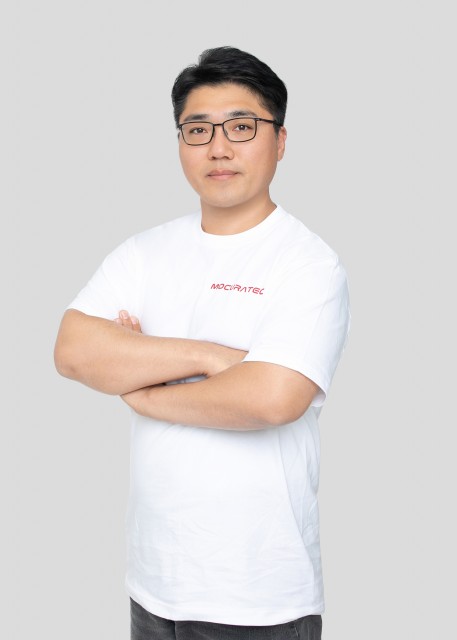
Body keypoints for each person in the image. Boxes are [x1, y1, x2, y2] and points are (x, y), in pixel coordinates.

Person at [54, 46, 350, 640]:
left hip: (257, 597)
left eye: (241, 127)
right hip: (153, 582)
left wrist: (142, 386)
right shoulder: (144, 252)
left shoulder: (308, 263)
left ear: (280, 141)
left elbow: (271, 399)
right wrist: (210, 357)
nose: (218, 147)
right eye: (198, 129)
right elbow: (73, 352)